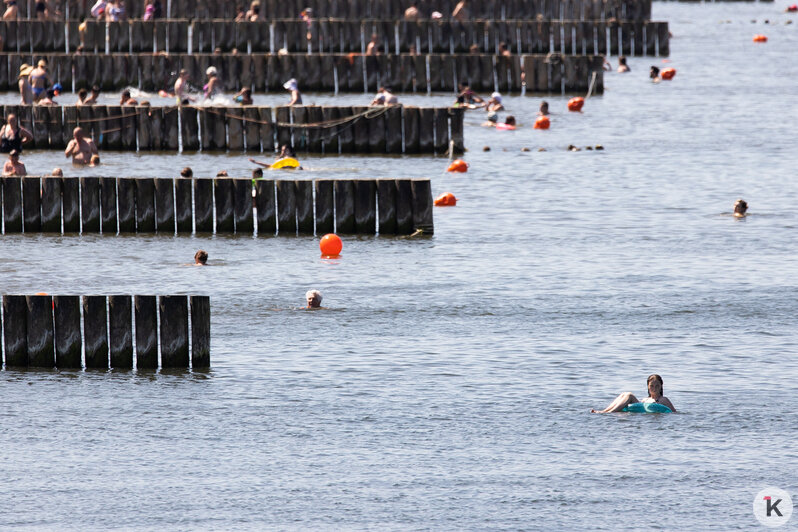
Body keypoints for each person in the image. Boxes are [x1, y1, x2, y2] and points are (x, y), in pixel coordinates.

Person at [591, 374, 676, 413]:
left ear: (661, 386)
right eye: (652, 386)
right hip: (642, 409)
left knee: (629, 395)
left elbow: (674, 412)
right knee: (624, 394)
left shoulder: (663, 399)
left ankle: (608, 412)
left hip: (653, 409)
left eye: (657, 386)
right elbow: (639, 407)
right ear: (648, 386)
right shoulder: (645, 399)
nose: (654, 388)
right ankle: (606, 410)